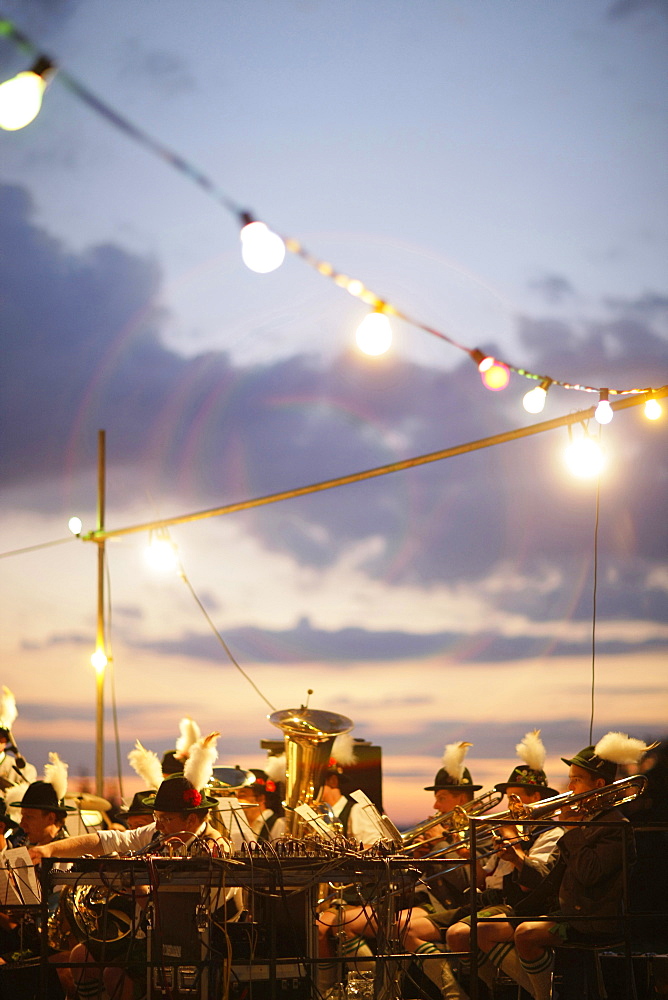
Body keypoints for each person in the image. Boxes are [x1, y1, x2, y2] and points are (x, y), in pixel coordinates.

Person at [30, 771, 231, 1000]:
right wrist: (49, 850)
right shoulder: (159, 833)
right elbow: (108, 840)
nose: (158, 825)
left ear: (192, 820)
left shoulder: (215, 849)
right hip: (147, 934)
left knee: (115, 974)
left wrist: (144, 897)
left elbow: (194, 916)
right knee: (81, 957)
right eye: (156, 816)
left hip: (190, 943)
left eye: (165, 818)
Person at [492, 732, 654, 1000]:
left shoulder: (615, 827)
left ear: (599, 784)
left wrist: (570, 829)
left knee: (525, 934)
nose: (570, 789)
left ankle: (544, 996)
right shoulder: (584, 821)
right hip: (568, 913)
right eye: (570, 779)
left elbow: (589, 874)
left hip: (594, 919)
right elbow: (553, 877)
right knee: (487, 929)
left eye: (576, 780)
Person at [445, 730, 563, 998]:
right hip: (505, 902)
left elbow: (534, 885)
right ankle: (498, 989)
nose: (509, 807)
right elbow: (484, 879)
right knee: (458, 936)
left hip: (531, 907)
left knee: (465, 933)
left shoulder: (551, 833)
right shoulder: (517, 831)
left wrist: (514, 848)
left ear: (534, 799)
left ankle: (539, 994)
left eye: (515, 799)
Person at [228, 768, 285, 851]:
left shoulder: (278, 824)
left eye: (242, 796)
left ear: (260, 799)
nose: (236, 800)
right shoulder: (239, 823)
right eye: (235, 796)